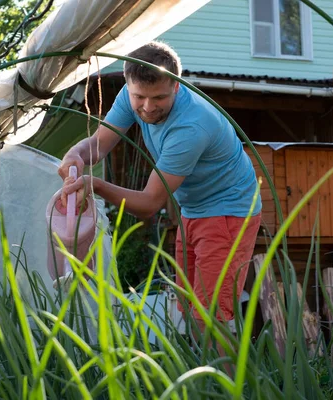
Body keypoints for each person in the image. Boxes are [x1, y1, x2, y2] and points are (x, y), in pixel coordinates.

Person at [58, 41, 261, 343]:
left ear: (177, 87)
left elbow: (150, 203)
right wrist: (75, 153)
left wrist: (95, 185)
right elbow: (99, 145)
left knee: (211, 316)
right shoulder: (131, 96)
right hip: (192, 209)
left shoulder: (191, 127)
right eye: (139, 96)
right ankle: (201, 382)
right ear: (128, 85)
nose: (148, 107)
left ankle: (228, 387)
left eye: (160, 98)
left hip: (228, 212)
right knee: (188, 307)